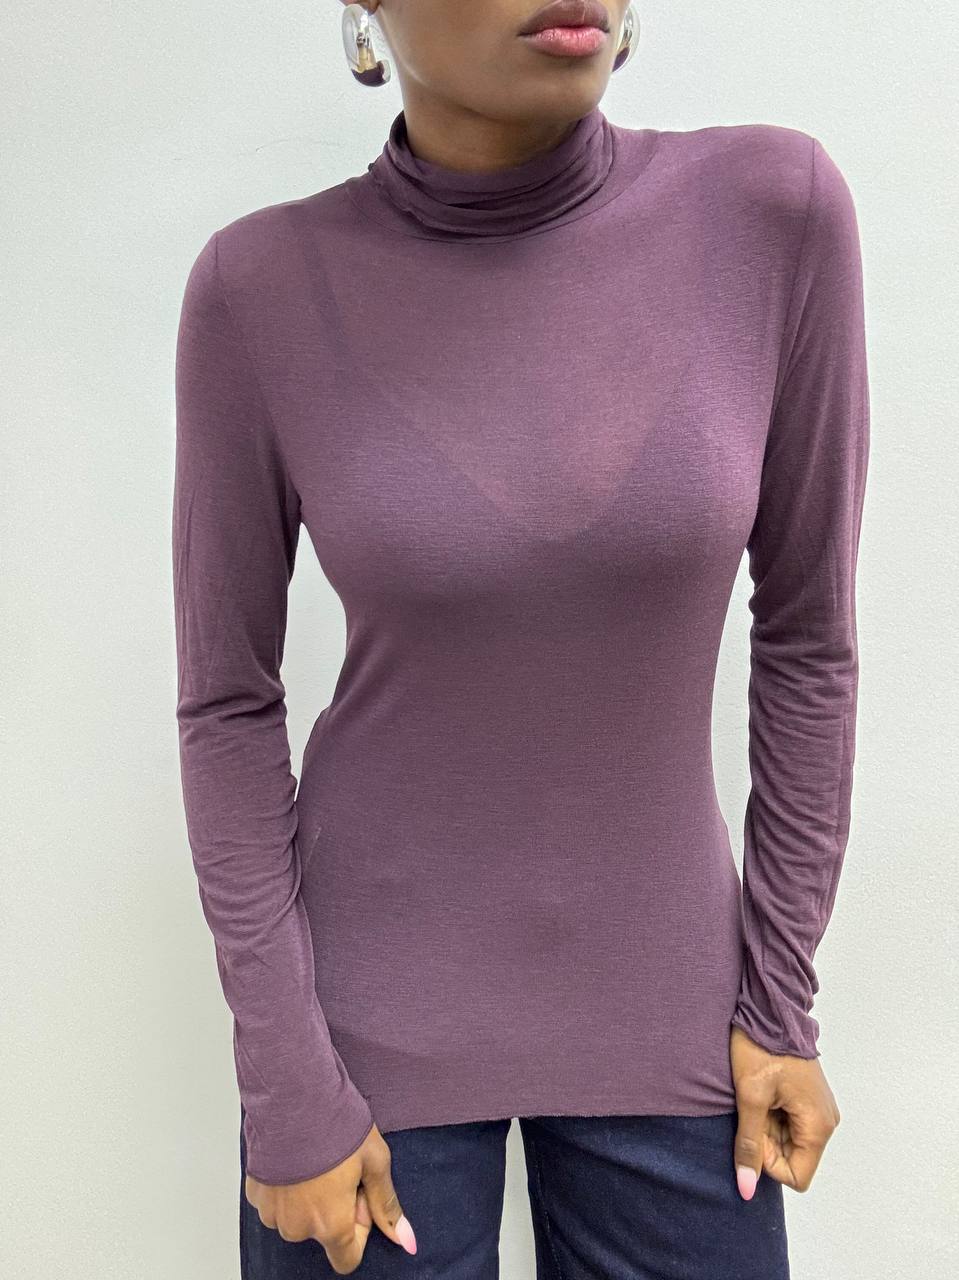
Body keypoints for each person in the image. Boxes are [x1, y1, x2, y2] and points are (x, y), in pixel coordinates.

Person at [171, 2, 870, 1275]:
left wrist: (779, 996)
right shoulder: (258, 286)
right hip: (357, 1053)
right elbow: (227, 701)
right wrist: (284, 1079)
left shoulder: (771, 211)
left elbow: (809, 636)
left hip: (682, 1024)